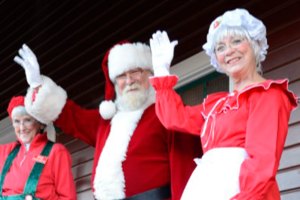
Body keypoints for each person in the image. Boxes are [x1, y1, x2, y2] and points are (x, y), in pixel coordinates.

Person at [13, 42, 202, 199]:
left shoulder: (165, 114)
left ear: (148, 74)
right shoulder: (106, 123)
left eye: (135, 72)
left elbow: (184, 167)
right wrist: (38, 84)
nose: (129, 80)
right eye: (121, 76)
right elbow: (71, 116)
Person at [148, 8, 298, 200]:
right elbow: (174, 118)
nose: (228, 51)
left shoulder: (267, 95)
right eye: (220, 47)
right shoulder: (217, 105)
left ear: (254, 43)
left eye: (236, 41)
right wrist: (161, 70)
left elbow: (261, 165)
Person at [0, 96, 77, 200]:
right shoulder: (5, 152)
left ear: (40, 124)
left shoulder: (56, 151)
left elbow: (68, 197)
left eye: (27, 120)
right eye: (17, 121)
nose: (22, 128)